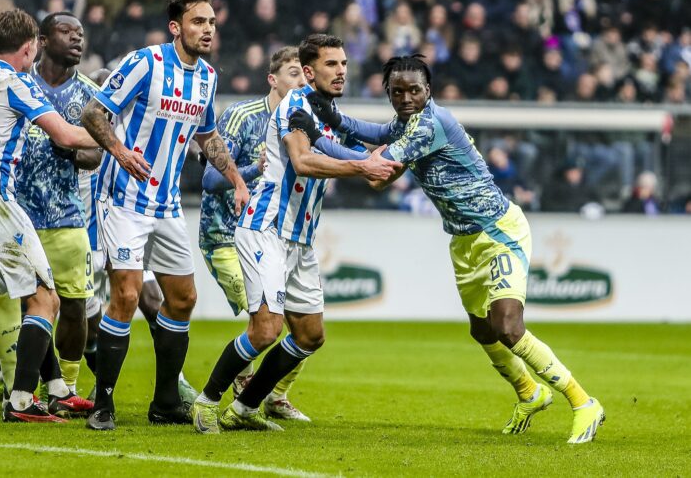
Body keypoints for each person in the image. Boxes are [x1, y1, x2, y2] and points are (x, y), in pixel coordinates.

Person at [305, 54, 605, 444]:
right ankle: (530, 393)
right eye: (398, 91)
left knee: (508, 327)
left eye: (415, 90)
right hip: (464, 240)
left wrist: (319, 137)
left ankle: (584, 403)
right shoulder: (405, 122)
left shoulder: (430, 123)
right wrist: (332, 115)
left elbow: (378, 167)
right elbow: (378, 133)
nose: (407, 97)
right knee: (482, 330)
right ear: (390, 94)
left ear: (428, 90)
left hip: (498, 230)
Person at [190, 34, 401, 433]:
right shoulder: (295, 104)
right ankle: (207, 402)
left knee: (310, 334)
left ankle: (246, 408)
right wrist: (365, 167)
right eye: (331, 64)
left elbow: (368, 158)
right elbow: (303, 162)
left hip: (300, 237)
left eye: (343, 63)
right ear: (308, 72)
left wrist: (395, 159)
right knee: (266, 329)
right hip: (266, 227)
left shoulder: (332, 114)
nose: (341, 71)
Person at [79, 0, 249, 431]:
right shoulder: (145, 63)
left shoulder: (207, 77)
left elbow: (208, 137)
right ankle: (104, 404)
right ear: (176, 27)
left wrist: (237, 179)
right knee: (127, 296)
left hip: (167, 203)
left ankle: (166, 401)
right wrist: (117, 150)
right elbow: (92, 113)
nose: (207, 28)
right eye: (197, 21)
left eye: (211, 21)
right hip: (124, 200)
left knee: (183, 299)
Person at [0, 9, 99, 422]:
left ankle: (58, 389)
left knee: (36, 295)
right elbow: (65, 135)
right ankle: (22, 402)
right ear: (30, 47)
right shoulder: (17, 81)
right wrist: (118, 140)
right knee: (45, 299)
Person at [198, 46, 312, 421]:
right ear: (273, 79)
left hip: (275, 237)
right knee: (265, 321)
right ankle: (236, 394)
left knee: (304, 325)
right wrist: (252, 168)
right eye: (294, 72)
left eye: (304, 73)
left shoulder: (304, 120)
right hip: (226, 236)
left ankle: (275, 396)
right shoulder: (242, 116)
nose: (302, 80)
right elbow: (211, 178)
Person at [15, 12, 104, 401]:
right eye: (67, 32)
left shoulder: (89, 95)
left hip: (68, 216)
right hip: (16, 214)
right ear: (43, 40)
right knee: (23, 303)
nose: (76, 40)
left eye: (80, 34)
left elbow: (95, 155)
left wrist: (69, 151)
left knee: (75, 306)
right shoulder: (17, 83)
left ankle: (66, 385)